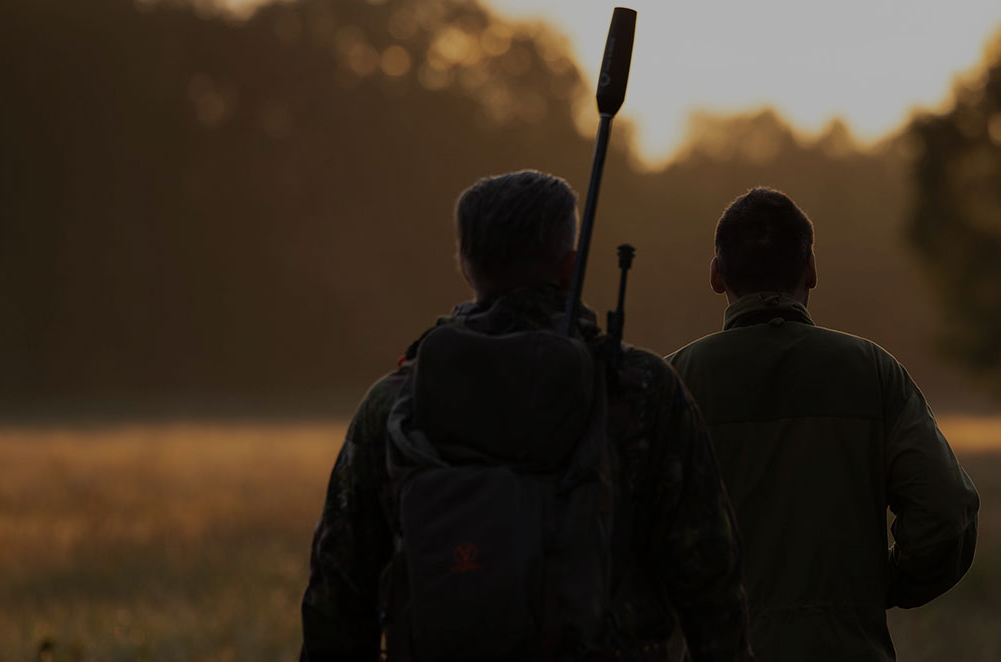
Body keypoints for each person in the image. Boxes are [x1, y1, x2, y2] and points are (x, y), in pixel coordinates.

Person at [299, 170, 752, 662]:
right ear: (569, 266)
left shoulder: (395, 403)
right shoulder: (638, 389)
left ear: (467, 267)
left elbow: (336, 595)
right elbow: (711, 580)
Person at [667, 187, 980, 662]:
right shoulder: (872, 372)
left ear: (716, 275)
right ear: (811, 268)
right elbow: (945, 512)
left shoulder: (671, 384)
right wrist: (882, 587)